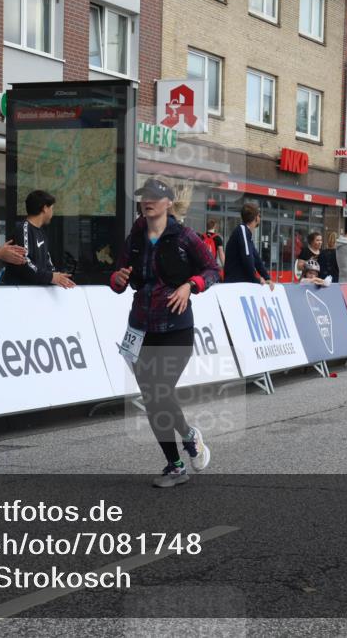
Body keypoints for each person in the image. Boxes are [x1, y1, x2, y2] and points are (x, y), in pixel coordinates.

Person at [109, 179, 219, 488]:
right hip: (141, 327)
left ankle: (188, 438)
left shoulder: (184, 237)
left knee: (160, 391)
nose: (148, 201)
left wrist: (190, 285)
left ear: (168, 202)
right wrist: (117, 278)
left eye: (155, 197)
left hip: (175, 328)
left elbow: (213, 270)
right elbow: (118, 281)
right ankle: (177, 462)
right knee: (152, 398)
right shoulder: (135, 238)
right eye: (145, 196)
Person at [1, 190, 75, 288]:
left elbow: (47, 261)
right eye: (52, 208)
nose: (53, 213)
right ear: (45, 208)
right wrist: (51, 277)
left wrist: (58, 277)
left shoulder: (41, 232)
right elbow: (24, 262)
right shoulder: (23, 229)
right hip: (19, 293)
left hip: (37, 293)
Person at [223, 202, 274, 289]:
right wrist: (255, 279)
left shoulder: (247, 234)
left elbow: (256, 258)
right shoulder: (242, 230)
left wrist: (267, 277)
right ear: (255, 218)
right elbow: (247, 257)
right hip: (235, 284)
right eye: (259, 215)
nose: (260, 218)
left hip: (240, 283)